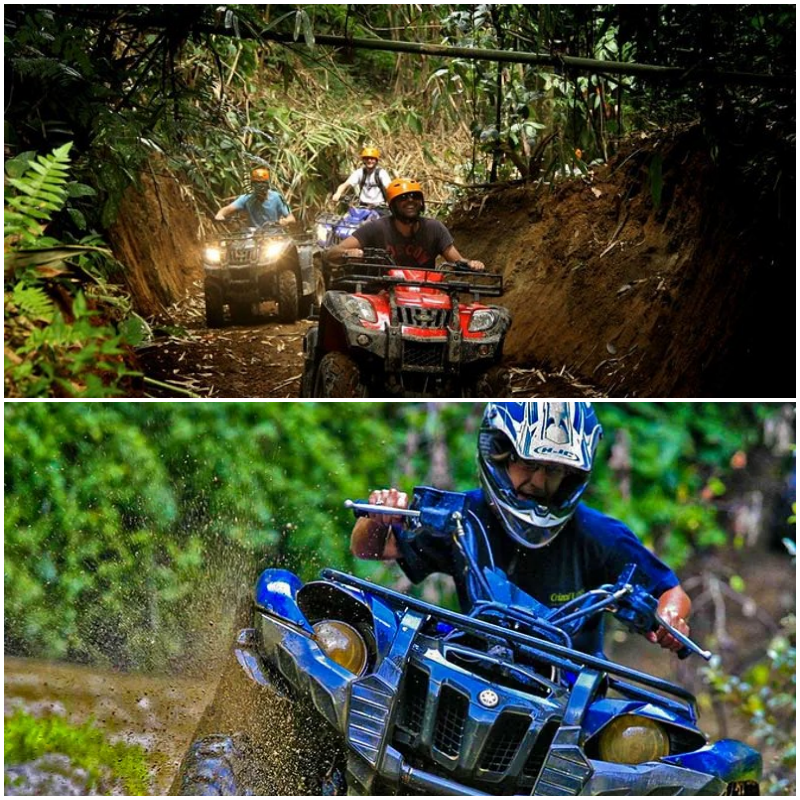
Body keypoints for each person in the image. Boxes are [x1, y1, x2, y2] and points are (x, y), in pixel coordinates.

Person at [351, 401, 692, 657]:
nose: (539, 482)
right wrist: (377, 518)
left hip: (571, 689)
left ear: (573, 475)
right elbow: (370, 549)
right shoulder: (462, 516)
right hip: (472, 666)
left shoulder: (598, 534)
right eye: (528, 464)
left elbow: (670, 590)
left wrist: (670, 618)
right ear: (500, 454)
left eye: (555, 470)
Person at [329, 178, 485, 271]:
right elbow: (331, 253)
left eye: (415, 197)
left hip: (425, 295)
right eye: (403, 198)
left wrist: (471, 263)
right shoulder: (376, 228)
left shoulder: (435, 229)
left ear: (421, 202)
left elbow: (457, 260)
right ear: (393, 205)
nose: (410, 200)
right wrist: (348, 253)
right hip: (382, 293)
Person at [215, 167, 296, 227]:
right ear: (252, 184)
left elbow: (291, 218)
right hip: (253, 236)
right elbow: (228, 208)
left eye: (263, 183)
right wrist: (220, 214)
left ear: (268, 184)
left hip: (274, 235)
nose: (260, 186)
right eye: (257, 183)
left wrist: (286, 221)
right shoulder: (246, 198)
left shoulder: (277, 197)